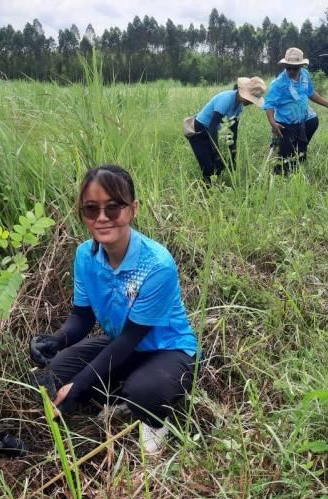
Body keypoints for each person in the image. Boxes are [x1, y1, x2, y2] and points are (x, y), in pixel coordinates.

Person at [29, 165, 198, 454]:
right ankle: (122, 395)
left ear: (133, 209)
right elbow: (82, 318)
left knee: (146, 392)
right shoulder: (85, 255)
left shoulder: (157, 265)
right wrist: (55, 340)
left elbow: (131, 338)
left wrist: (81, 384)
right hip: (120, 344)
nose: (102, 218)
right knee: (51, 377)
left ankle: (153, 418)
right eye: (91, 209)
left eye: (113, 207)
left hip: (167, 349)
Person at [263, 47, 328, 173]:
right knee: (284, 161)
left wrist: (327, 104)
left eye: (295, 68)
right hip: (285, 123)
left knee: (301, 152)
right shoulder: (278, 83)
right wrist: (273, 123)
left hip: (300, 120)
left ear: (301, 66)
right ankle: (279, 178)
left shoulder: (305, 75)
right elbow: (269, 104)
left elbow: (310, 93)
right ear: (285, 66)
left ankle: (296, 164)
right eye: (288, 67)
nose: (291, 70)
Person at [187, 76, 266, 182]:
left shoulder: (239, 107)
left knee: (218, 167)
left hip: (211, 130)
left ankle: (213, 187)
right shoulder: (226, 99)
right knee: (208, 165)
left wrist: (232, 154)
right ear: (243, 94)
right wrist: (217, 154)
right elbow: (212, 127)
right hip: (200, 129)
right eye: (252, 100)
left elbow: (232, 131)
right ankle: (206, 190)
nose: (252, 103)